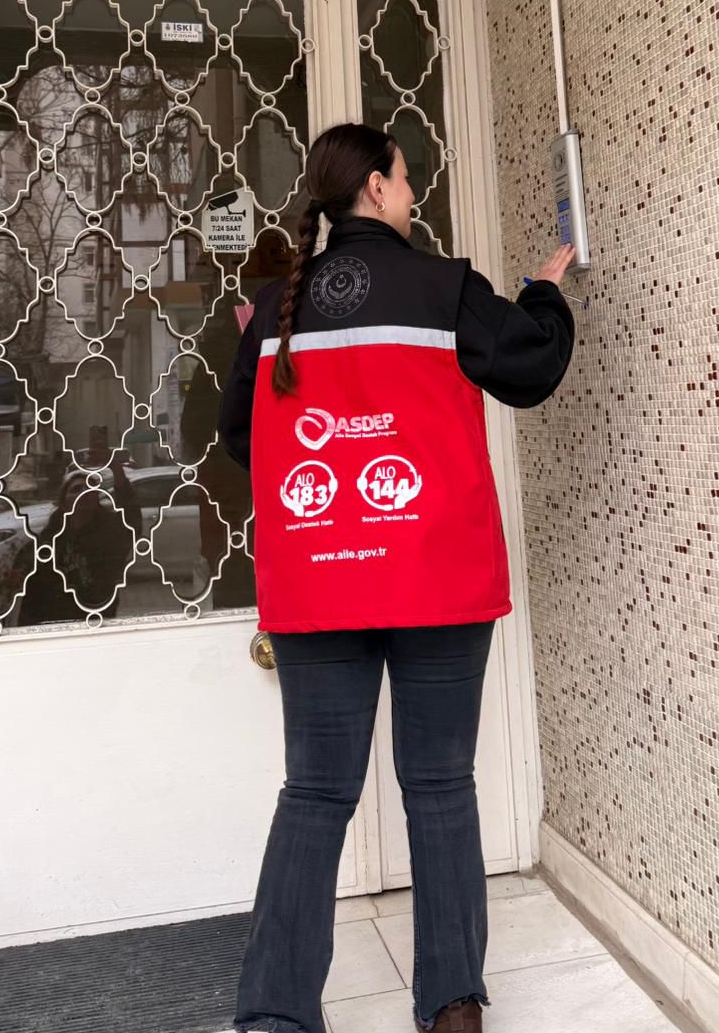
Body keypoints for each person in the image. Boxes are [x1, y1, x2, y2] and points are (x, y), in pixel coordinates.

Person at [218, 123, 576, 1033]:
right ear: (376, 188)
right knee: (441, 785)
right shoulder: (442, 286)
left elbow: (239, 438)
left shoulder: (278, 306)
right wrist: (544, 292)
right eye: (407, 180)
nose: (413, 196)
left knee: (314, 794)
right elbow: (532, 365)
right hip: (436, 581)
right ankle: (453, 1010)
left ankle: (275, 1018)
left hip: (321, 585)